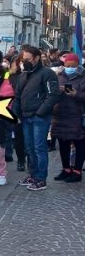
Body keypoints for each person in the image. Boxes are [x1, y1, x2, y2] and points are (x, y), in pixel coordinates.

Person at [13, 46, 60, 191]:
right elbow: (18, 97)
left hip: (39, 116)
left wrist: (40, 112)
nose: (24, 61)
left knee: (39, 148)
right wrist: (17, 114)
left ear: (37, 58)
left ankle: (41, 178)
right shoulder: (23, 75)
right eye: (23, 59)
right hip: (26, 116)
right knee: (29, 147)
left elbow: (52, 95)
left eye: (27, 59)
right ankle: (33, 175)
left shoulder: (47, 73)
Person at [51, 53, 85, 183]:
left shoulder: (83, 77)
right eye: (67, 65)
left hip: (77, 114)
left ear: (78, 66)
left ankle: (77, 171)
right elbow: (51, 92)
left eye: (73, 66)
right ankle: (66, 169)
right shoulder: (59, 75)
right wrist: (58, 91)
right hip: (60, 113)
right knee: (63, 143)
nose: (69, 67)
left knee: (79, 143)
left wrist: (76, 94)